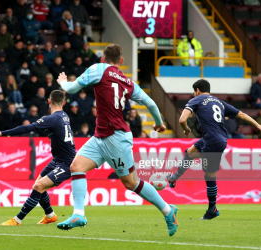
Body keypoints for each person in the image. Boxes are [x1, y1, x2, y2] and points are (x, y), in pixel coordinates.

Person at [56, 44, 178, 236]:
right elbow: (151, 103)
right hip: (101, 136)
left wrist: (63, 82)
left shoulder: (98, 69)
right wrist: (159, 123)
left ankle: (168, 211)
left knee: (131, 183)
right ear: (121, 61)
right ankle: (78, 214)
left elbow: (71, 89)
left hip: (116, 137)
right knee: (76, 167)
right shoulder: (129, 82)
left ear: (103, 59)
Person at [167, 79, 261, 220]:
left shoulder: (195, 100)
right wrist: (258, 126)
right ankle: (173, 178)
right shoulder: (219, 102)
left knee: (209, 176)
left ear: (197, 90)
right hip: (216, 138)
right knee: (190, 153)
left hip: (213, 141)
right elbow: (242, 115)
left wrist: (186, 129)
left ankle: (212, 209)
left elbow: (182, 120)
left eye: (194, 91)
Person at [0, 90, 76, 226]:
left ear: (49, 101)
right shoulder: (65, 115)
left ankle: (17, 220)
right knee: (38, 185)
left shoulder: (51, 118)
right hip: (58, 159)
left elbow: (27, 128)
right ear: (64, 103)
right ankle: (50, 215)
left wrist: (2, 133)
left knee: (38, 186)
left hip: (66, 163)